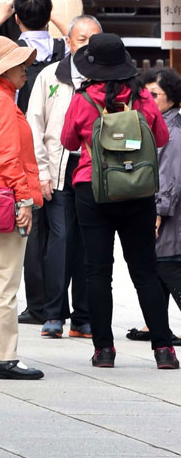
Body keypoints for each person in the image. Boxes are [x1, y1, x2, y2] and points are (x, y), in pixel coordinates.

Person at [60, 33, 178, 370]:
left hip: (92, 190)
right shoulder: (142, 97)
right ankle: (164, 349)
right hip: (138, 191)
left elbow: (69, 140)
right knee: (144, 270)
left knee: (98, 272)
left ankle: (105, 350)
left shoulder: (83, 99)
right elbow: (161, 137)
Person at [0, 0, 68, 326]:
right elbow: (78, 37)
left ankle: (38, 304)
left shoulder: (6, 57)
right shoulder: (63, 50)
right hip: (56, 149)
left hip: (23, 147)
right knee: (59, 234)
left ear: (16, 19)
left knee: (32, 235)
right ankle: (58, 308)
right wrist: (54, 15)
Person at [24, 15, 101, 339]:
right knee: (61, 239)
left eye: (93, 39)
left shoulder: (106, 78)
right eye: (81, 38)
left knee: (89, 242)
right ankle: (53, 313)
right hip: (57, 168)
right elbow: (34, 127)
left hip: (94, 171)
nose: (87, 45)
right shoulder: (48, 76)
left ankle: (82, 317)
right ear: (68, 42)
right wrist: (41, 173)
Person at [0, 37, 44, 380]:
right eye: (22, 66)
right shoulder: (1, 102)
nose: (26, 72)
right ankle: (2, 357)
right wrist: (24, 199)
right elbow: (7, 155)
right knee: (5, 281)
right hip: (6, 197)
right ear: (8, 68)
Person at [126, 67, 181, 345]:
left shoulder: (173, 130)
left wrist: (158, 211)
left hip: (169, 213)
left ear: (171, 97)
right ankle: (155, 323)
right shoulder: (158, 124)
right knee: (157, 265)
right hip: (160, 208)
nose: (148, 98)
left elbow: (170, 175)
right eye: (144, 93)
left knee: (167, 265)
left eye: (155, 94)